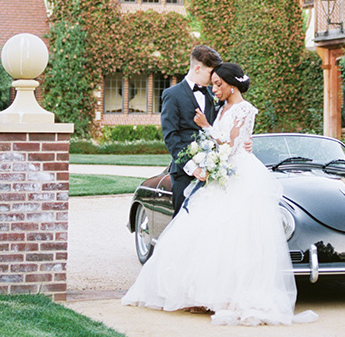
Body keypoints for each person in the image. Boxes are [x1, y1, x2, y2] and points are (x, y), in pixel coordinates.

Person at [122, 62, 316, 326]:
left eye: (218, 84)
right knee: (203, 233)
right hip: (221, 172)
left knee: (234, 236)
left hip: (238, 175)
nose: (213, 89)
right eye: (212, 84)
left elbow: (235, 143)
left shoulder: (245, 109)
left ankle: (230, 297)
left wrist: (206, 127)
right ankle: (199, 294)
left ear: (231, 85)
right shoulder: (222, 107)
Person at [160, 45, 223, 216]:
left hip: (213, 172)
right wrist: (192, 167)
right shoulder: (172, 95)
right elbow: (170, 136)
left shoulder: (214, 94)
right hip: (184, 173)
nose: (213, 79)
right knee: (183, 220)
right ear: (197, 68)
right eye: (211, 73)